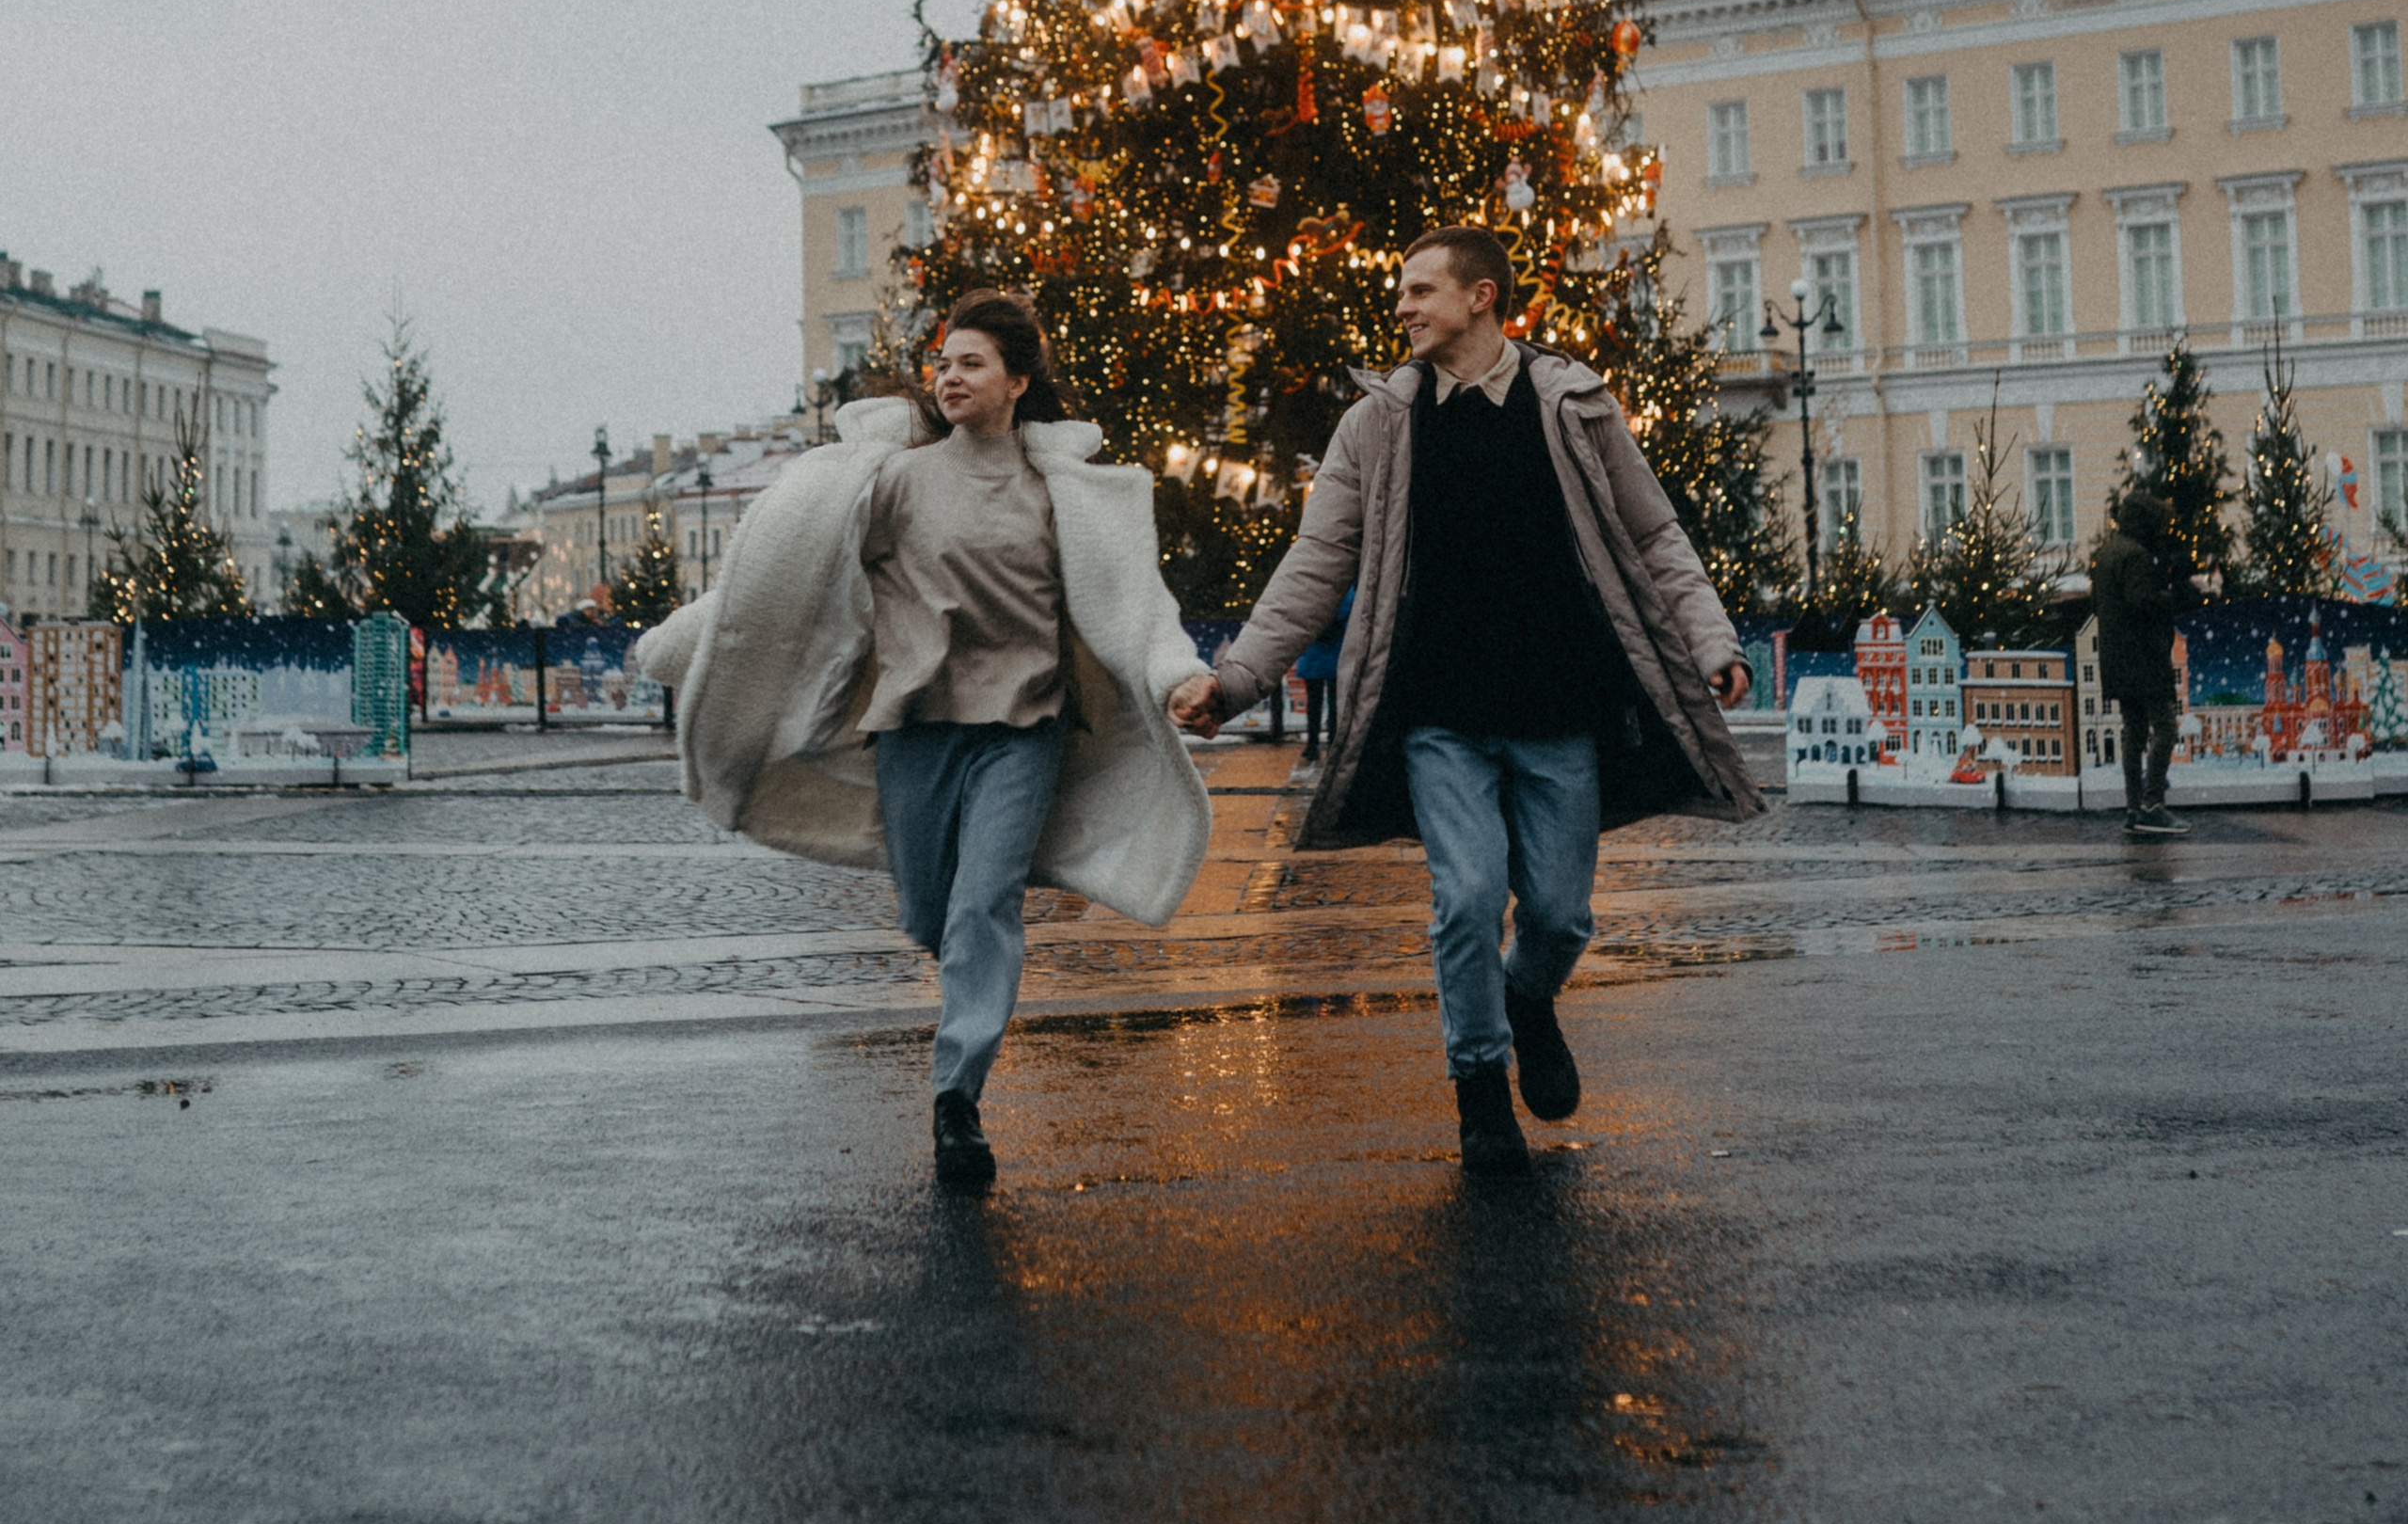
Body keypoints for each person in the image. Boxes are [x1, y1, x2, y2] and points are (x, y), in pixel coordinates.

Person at [1171, 226, 1759, 1173]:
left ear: (1481, 297)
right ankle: (1480, 1086)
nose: (1401, 306)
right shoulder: (1379, 424)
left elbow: (1655, 537)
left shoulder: (1570, 405)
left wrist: (1710, 641)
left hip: (1556, 706)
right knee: (1468, 897)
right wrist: (1236, 679)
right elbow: (1316, 563)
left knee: (1562, 917)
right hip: (1436, 714)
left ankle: (1526, 997)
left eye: (1419, 290)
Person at [635, 294, 1212, 1188]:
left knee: (985, 904)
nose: (950, 375)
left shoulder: (1064, 495)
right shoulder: (894, 484)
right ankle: (965, 997)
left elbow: (1135, 608)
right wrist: (690, 643)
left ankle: (958, 1099)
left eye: (973, 363)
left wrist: (1181, 677)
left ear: (1018, 382)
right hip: (914, 730)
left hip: (1025, 728)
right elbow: (785, 584)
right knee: (934, 910)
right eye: (943, 362)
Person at [2090, 479, 2193, 836]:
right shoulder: (2135, 555)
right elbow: (2141, 603)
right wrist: (2171, 596)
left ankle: (2134, 807)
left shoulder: (2106, 553)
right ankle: (2153, 804)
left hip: (2117, 658)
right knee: (2165, 728)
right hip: (2144, 658)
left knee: (2132, 733)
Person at [1292, 589, 1353, 766]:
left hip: (1315, 653)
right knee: (1335, 703)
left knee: (1314, 703)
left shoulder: (1312, 589)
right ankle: (1332, 744)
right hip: (1337, 653)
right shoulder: (1348, 591)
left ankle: (1312, 745)